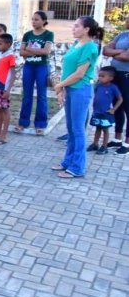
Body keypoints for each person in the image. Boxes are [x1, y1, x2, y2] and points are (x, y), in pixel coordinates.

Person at [52, 17, 102, 178]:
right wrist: (62, 88)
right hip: (70, 89)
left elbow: (80, 74)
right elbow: (68, 68)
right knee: (71, 128)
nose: (73, 29)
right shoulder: (76, 44)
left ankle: (77, 167)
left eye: (77, 26)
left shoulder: (90, 47)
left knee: (78, 129)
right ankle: (68, 161)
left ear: (87, 29)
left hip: (80, 90)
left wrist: (59, 86)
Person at [16, 11, 54, 135]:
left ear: (43, 21)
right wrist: (37, 51)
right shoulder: (27, 35)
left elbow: (46, 51)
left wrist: (28, 48)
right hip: (28, 67)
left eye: (36, 19)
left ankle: (40, 124)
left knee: (42, 96)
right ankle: (23, 122)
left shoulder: (49, 34)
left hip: (42, 67)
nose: (33, 22)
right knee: (27, 94)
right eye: (32, 19)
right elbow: (21, 53)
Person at [102, 12, 129, 154]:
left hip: (126, 75)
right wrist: (120, 51)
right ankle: (117, 138)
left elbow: (127, 57)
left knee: (127, 107)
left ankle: (127, 143)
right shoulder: (122, 35)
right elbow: (105, 50)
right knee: (117, 106)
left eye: (128, 19)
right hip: (115, 74)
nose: (126, 20)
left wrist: (116, 53)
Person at [87, 66, 123, 155]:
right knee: (97, 128)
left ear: (111, 78)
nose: (100, 78)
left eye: (103, 76)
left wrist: (113, 109)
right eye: (99, 76)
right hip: (96, 112)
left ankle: (104, 146)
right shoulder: (98, 85)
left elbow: (120, 99)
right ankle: (95, 144)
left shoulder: (113, 87)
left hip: (106, 113)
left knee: (105, 130)